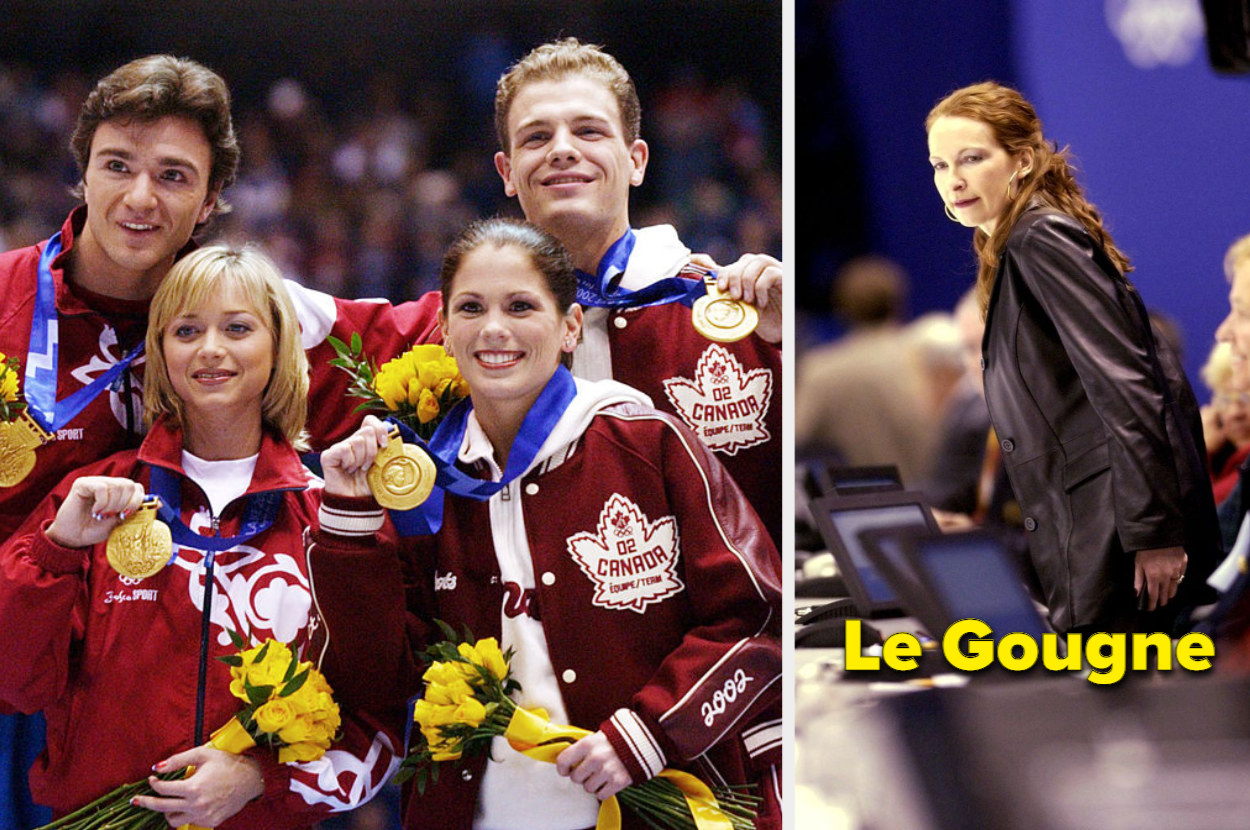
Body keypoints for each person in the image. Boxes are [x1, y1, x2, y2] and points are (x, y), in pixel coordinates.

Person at [0, 54, 440, 822]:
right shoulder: (2, 303)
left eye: (173, 175)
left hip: (134, 693)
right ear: (82, 175)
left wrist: (683, 291)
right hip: (24, 649)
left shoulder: (258, 315)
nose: (141, 197)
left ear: (210, 201)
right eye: (118, 166)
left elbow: (463, 328)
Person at [307, 218, 782, 829]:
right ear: (445, 334)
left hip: (660, 806)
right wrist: (349, 518)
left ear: (570, 327)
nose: (495, 329)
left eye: (521, 306)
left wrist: (647, 734)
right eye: (471, 308)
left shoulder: (647, 443)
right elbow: (380, 679)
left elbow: (755, 618)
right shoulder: (425, 483)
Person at [0, 246, 400, 827]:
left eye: (238, 328)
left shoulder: (326, 519)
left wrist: (262, 779)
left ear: (278, 345)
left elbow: (378, 723)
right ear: (162, 350)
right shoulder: (92, 497)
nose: (211, 348)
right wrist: (56, 552)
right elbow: (16, 685)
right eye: (187, 329)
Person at [925, 81, 1219, 634]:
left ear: (1023, 159)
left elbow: (1129, 386)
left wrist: (1154, 532)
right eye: (940, 164)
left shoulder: (1040, 237)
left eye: (972, 158)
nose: (953, 180)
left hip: (1119, 540)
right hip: (1096, 532)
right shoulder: (1017, 242)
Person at [490, 38, 784, 547]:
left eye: (588, 130)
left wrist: (786, 347)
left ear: (637, 161)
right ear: (508, 172)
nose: (562, 148)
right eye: (537, 137)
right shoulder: (461, 337)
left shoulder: (737, 313)